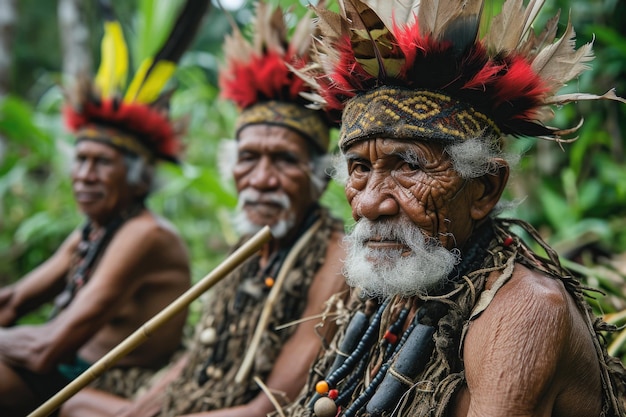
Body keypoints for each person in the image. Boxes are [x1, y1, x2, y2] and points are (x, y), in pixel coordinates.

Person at [270, 1, 626, 417]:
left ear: (484, 190)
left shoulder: (524, 312)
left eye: (408, 166)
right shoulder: (387, 293)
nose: (368, 204)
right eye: (360, 169)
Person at [60, 2, 348, 417]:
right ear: (232, 168)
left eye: (283, 160)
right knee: (76, 403)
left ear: (320, 177)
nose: (262, 179)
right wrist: (138, 410)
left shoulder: (335, 257)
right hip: (193, 402)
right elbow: (197, 357)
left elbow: (270, 407)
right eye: (248, 158)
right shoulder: (247, 247)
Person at [0, 1, 208, 415]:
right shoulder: (95, 231)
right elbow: (12, 302)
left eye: (101, 163)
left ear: (137, 179)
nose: (84, 175)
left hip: (103, 384)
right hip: (66, 369)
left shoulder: (145, 234)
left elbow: (45, 348)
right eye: (81, 159)